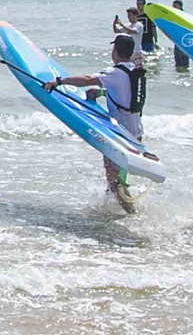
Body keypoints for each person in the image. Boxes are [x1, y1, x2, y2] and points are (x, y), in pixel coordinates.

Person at [43, 34, 148, 210]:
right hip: (136, 132)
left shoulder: (115, 72)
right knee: (119, 176)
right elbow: (127, 97)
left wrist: (59, 82)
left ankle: (132, 214)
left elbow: (87, 79)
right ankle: (109, 209)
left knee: (114, 179)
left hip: (119, 134)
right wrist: (100, 93)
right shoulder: (135, 71)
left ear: (115, 51)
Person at [169, 0, 191, 72]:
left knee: (183, 60)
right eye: (173, 6)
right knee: (178, 61)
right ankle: (180, 74)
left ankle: (184, 74)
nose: (173, 8)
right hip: (177, 41)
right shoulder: (173, 16)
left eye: (175, 6)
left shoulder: (184, 16)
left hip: (184, 42)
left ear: (180, 6)